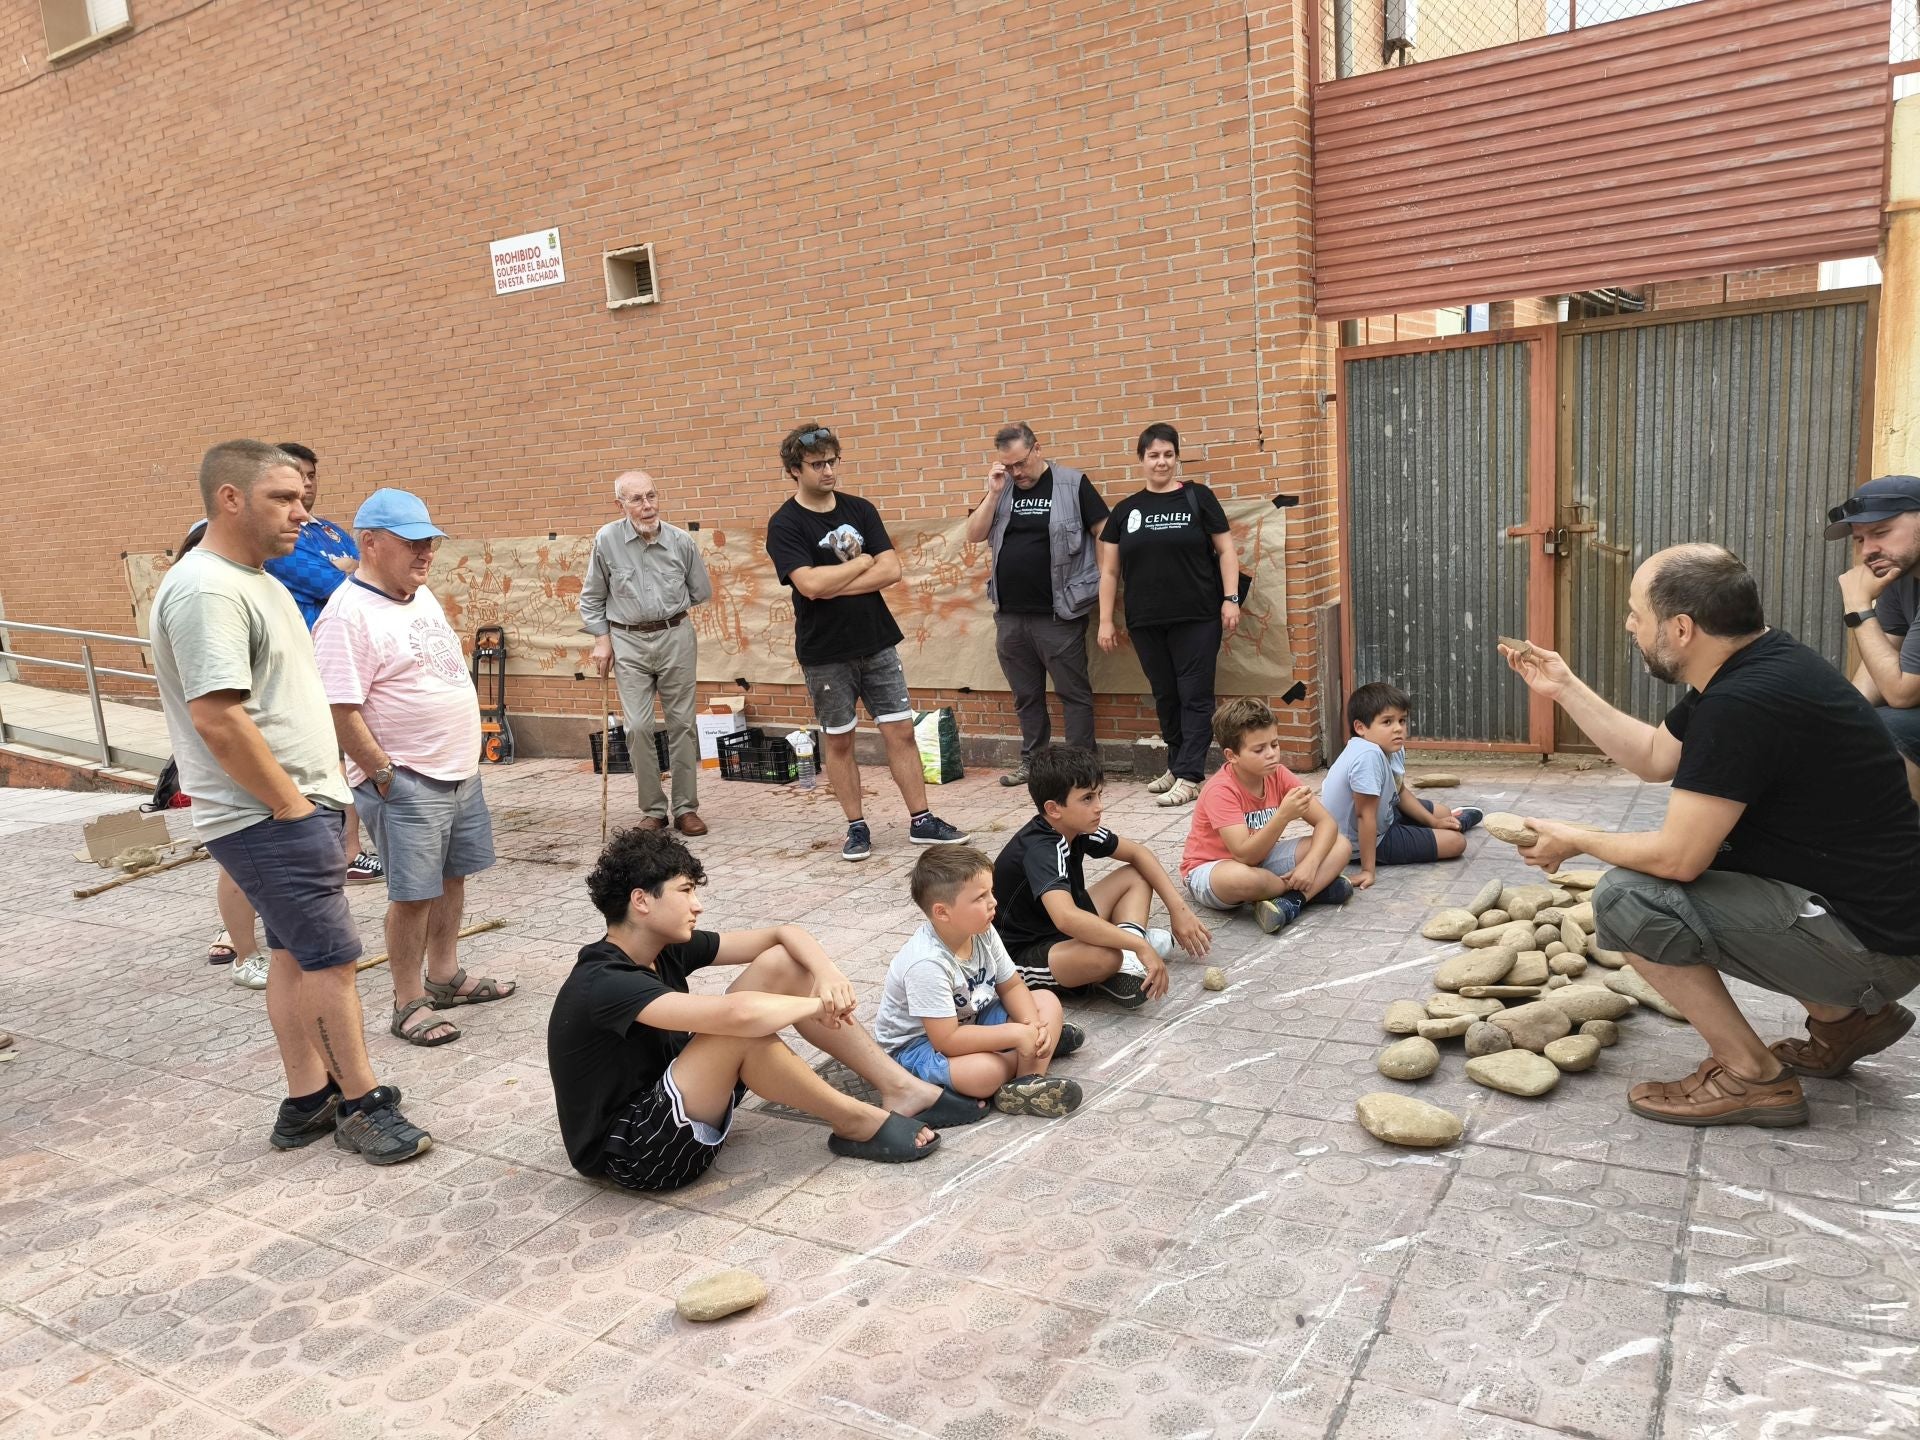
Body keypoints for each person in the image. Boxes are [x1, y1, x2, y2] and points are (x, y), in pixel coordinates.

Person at [1501, 543, 1920, 1128]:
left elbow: (1678, 859)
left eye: (1635, 613)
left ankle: (1752, 1076)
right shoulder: (1761, 661)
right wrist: (1565, 687)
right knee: (1713, 858)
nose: (1629, 625)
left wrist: (1578, 837)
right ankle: (1847, 1021)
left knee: (1630, 899)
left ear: (1680, 628)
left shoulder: (1743, 703)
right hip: (1878, 916)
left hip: (1874, 946)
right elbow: (1653, 757)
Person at [151, 440, 429, 1164]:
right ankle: (361, 1103)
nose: (302, 512)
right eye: (283, 498)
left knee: (294, 958)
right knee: (331, 961)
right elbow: (218, 716)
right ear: (230, 499)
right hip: (268, 813)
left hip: (288, 806)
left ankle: (307, 1101)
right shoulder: (209, 587)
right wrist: (291, 808)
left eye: (304, 497)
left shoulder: (257, 580)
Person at [547, 827, 989, 1190]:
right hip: (635, 1153)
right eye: (684, 892)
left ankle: (902, 1089)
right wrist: (814, 1003)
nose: (696, 905)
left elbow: (784, 934)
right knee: (740, 1030)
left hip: (678, 1104)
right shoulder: (603, 982)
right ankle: (856, 1120)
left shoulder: (661, 947)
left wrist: (828, 974)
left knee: (783, 964)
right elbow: (737, 1016)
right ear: (641, 901)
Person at [314, 488, 516, 1048]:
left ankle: (445, 975)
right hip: (405, 779)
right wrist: (381, 773)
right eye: (413, 542)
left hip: (456, 773)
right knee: (412, 896)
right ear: (371, 543)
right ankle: (407, 1002)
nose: (426, 552)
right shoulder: (346, 617)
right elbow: (339, 709)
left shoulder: (417, 595)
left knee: (451, 879)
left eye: (430, 542)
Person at [765, 422, 968, 861]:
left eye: (832, 461)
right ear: (794, 471)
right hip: (824, 651)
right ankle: (857, 827)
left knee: (900, 731)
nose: (828, 471)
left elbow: (891, 571)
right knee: (839, 740)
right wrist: (860, 567)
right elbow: (809, 585)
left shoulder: (860, 509)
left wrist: (831, 581)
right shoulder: (785, 524)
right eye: (817, 464)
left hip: (877, 641)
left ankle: (922, 820)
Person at [992, 743, 1211, 1008]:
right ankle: (1121, 961)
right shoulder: (1041, 849)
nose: (1099, 807)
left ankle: (1126, 961)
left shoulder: (1077, 827)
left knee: (1137, 875)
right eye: (1087, 798)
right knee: (1106, 957)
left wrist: (1179, 910)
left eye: (1099, 795)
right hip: (1023, 952)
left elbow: (1139, 854)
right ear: (1053, 809)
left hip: (1060, 930)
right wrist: (1138, 946)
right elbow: (1066, 918)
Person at [875, 846, 1086, 1117]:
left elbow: (1010, 985)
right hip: (919, 1047)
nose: (993, 902)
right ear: (942, 912)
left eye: (991, 892)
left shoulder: (982, 930)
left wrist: (1031, 1024)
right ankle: (1036, 1052)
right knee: (985, 1073)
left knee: (1045, 1000)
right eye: (980, 897)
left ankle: (1027, 1082)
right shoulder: (926, 963)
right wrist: (1018, 1035)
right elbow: (947, 1041)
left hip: (970, 1020)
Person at [1097, 423, 1242, 807]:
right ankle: (1177, 764)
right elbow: (1109, 571)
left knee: (1194, 695)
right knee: (1166, 695)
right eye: (1153, 455)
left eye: (1168, 454)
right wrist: (1107, 620)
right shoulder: (1126, 510)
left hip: (1197, 616)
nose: (1161, 462)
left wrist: (1231, 598)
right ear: (1141, 460)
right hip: (1146, 620)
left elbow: (1226, 551)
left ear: (1176, 457)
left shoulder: (1198, 497)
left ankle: (1192, 774)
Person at [962, 422, 1109, 787]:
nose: (1017, 473)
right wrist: (994, 492)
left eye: (1021, 464)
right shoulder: (1004, 488)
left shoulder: (1073, 484)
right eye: (1008, 466)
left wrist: (1104, 582)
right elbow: (974, 534)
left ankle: (1080, 769)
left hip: (1059, 613)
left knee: (1072, 693)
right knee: (1026, 696)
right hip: (1010, 614)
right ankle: (1033, 763)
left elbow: (1104, 532)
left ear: (1037, 449)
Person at [262, 442, 381, 885]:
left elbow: (366, 577)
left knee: (342, 758)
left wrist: (351, 571)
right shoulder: (279, 539)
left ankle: (350, 850)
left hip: (347, 657)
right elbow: (339, 583)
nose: (307, 484)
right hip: (306, 660)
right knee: (320, 760)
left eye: (312, 475)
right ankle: (326, 853)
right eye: (297, 475)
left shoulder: (328, 530)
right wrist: (349, 571)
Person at [580, 470, 713, 835]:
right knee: (637, 727)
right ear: (620, 504)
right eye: (637, 499)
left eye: (651, 496)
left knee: (682, 726)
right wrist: (601, 639)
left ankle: (686, 808)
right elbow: (591, 599)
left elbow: (700, 590)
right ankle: (654, 810)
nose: (647, 506)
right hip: (627, 642)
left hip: (675, 637)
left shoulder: (681, 541)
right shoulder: (606, 540)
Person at [1181, 698, 1353, 935]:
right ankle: (1313, 891)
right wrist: (1283, 817)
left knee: (1341, 844)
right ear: (1232, 756)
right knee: (1245, 879)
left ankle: (1291, 902)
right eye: (1259, 749)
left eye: (1275, 744)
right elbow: (1243, 855)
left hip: (1263, 860)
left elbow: (1327, 823)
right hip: (1213, 869)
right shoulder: (1220, 790)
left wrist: (1311, 866)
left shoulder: (1278, 774)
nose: (1271, 754)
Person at [1320, 683, 1483, 889]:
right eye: (1387, 722)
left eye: (1402, 720)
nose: (1398, 728)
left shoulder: (1392, 747)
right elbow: (1365, 816)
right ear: (1360, 727)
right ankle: (1461, 823)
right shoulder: (1367, 756)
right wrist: (1368, 870)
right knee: (1456, 843)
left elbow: (1400, 791)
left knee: (1443, 812)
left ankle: (1448, 821)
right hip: (1364, 840)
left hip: (1384, 815)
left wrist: (1434, 821)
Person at [1828, 474, 1920, 805]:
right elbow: (1884, 659)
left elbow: (1900, 691)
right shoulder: (1902, 576)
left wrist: (1857, 608)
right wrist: (1838, 722)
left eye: (1881, 533)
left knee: (1887, 730)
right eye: (1859, 540)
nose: (1868, 551)